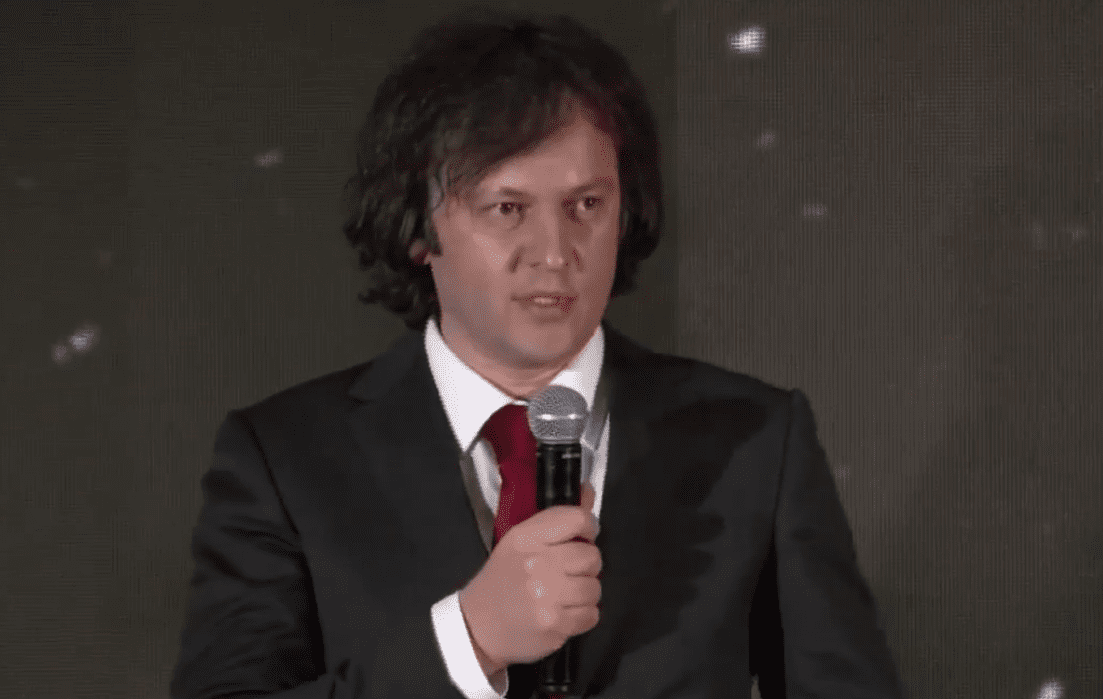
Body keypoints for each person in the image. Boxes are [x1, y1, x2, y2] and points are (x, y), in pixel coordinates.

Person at [170, 6, 905, 699]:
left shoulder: (755, 438)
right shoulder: (285, 459)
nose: (554, 253)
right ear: (418, 228)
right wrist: (471, 639)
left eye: (586, 205)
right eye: (507, 208)